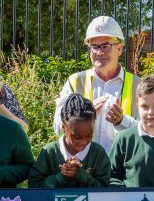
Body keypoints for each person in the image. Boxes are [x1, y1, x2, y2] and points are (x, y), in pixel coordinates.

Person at [54, 16, 141, 153]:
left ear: (119, 48)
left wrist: (121, 121)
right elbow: (58, 127)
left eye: (105, 46)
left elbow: (149, 131)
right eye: (94, 47)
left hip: (122, 169)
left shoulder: (139, 86)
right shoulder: (75, 82)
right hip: (81, 166)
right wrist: (83, 115)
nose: (99, 52)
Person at [29, 93, 111, 188]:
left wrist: (81, 175)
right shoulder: (49, 152)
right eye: (77, 137)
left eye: (89, 136)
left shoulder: (98, 153)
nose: (84, 142)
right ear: (64, 127)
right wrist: (62, 176)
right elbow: (35, 187)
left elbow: (105, 190)